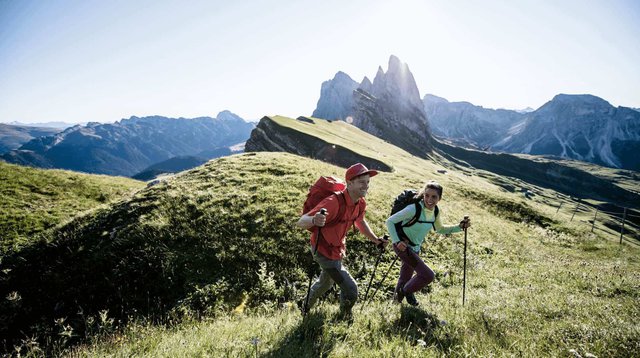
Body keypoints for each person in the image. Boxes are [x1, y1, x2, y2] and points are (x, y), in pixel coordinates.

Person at [297, 163, 388, 319]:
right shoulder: (333, 202)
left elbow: (360, 222)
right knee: (350, 289)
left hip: (337, 250)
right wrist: (314, 219)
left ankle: (304, 305)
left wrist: (376, 240)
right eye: (362, 182)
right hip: (323, 252)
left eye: (367, 182)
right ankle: (343, 318)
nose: (366, 186)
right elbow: (301, 221)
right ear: (350, 183)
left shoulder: (360, 202)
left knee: (326, 283)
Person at [385, 180, 471, 306]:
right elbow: (390, 221)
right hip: (403, 247)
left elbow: (440, 229)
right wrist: (397, 241)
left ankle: (395, 304)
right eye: (427, 195)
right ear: (423, 195)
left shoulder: (435, 211)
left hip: (415, 248)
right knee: (428, 275)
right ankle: (405, 291)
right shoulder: (413, 209)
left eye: (434, 197)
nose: (429, 199)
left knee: (405, 278)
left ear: (439, 198)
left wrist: (460, 227)